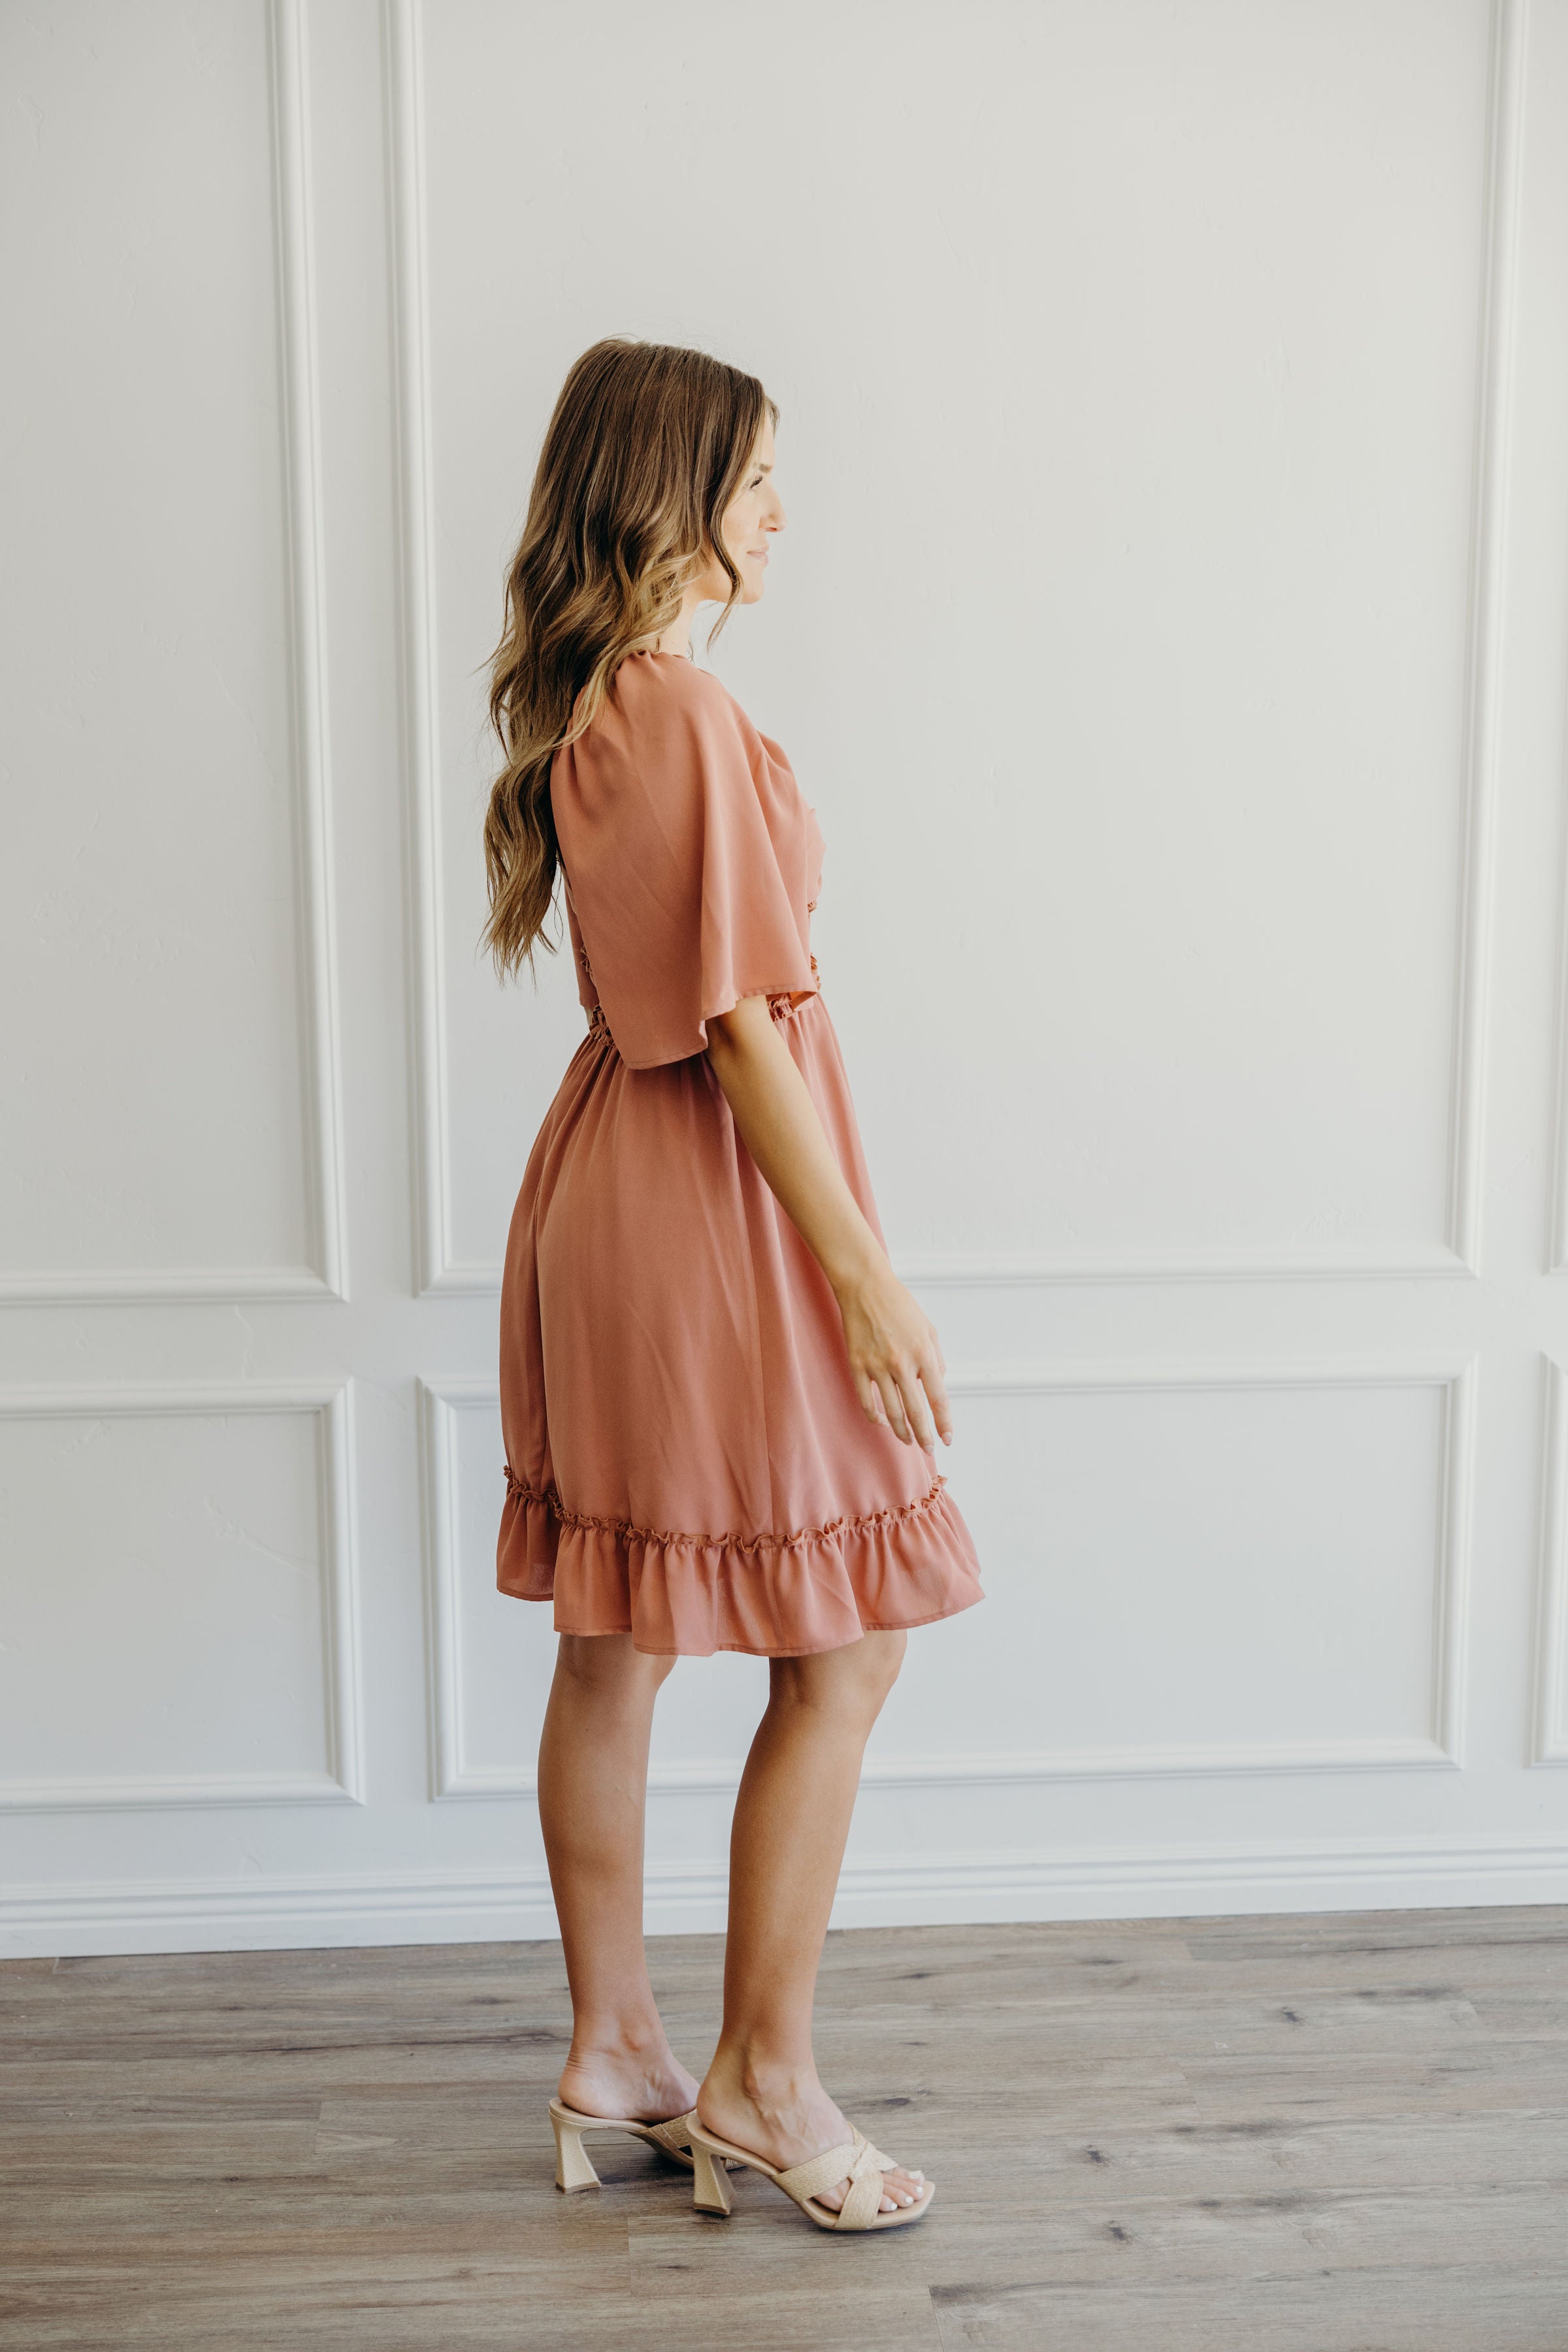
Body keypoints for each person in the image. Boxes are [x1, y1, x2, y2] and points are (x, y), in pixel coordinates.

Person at [483, 338, 983, 2234]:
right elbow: (743, 1034)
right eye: (757, 477)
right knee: (844, 1638)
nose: (783, 512)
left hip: (615, 1191)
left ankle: (618, 2054)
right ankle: (762, 2083)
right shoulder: (673, 710)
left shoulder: (607, 707)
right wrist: (866, 1278)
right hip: (707, 1207)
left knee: (617, 1639)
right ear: (672, 492)